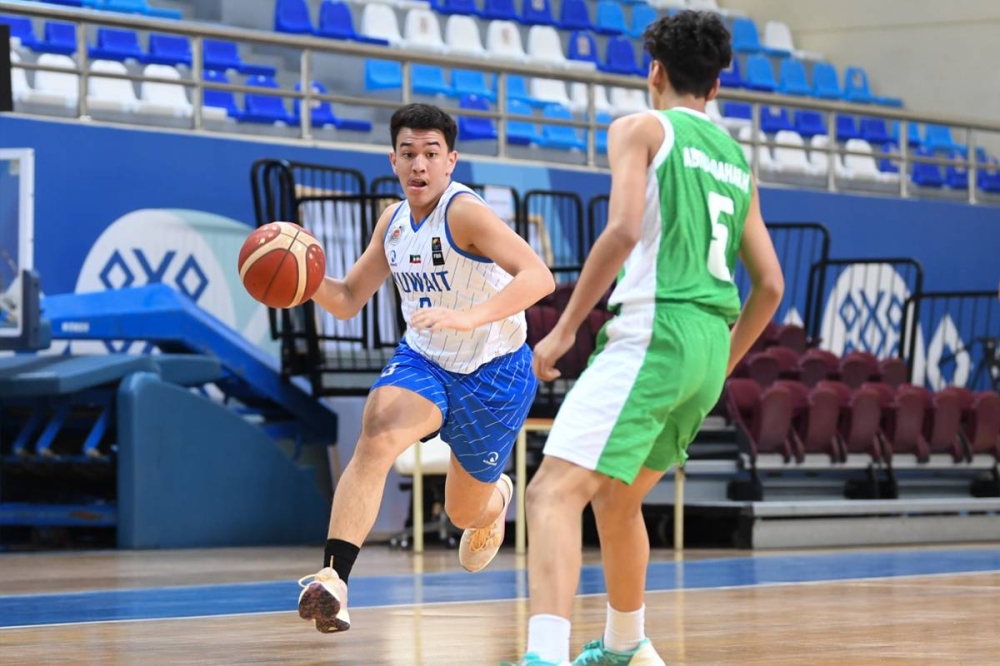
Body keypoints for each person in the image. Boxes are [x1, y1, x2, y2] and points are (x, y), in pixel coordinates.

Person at [506, 10, 785, 666]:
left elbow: (623, 230)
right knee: (618, 496)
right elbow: (770, 285)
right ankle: (627, 645)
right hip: (708, 344)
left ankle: (544, 656)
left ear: (654, 71)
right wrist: (719, 364)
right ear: (716, 85)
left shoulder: (640, 129)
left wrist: (564, 330)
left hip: (655, 331)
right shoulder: (736, 160)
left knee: (551, 492)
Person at [297, 103, 555, 634]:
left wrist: (469, 317)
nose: (419, 164)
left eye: (431, 154)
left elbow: (539, 276)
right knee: (376, 432)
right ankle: (334, 579)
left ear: (450, 161)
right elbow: (347, 299)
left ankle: (495, 500)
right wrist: (303, 280)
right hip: (427, 359)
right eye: (409, 153)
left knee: (463, 513)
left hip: (496, 370)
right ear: (393, 161)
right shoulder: (392, 222)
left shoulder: (465, 214)